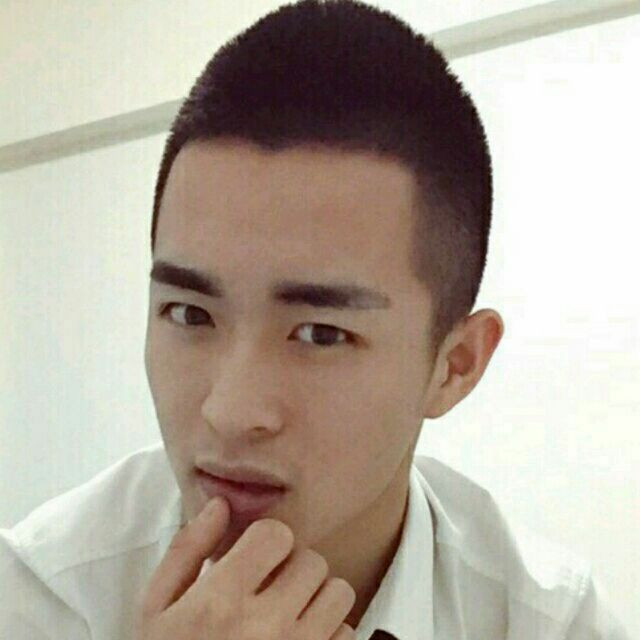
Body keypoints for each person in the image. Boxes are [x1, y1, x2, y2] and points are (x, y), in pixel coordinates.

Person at [0, 1, 631, 639]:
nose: (229, 412)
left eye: (321, 334)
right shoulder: (41, 599)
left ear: (455, 366)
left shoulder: (549, 623)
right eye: (189, 313)